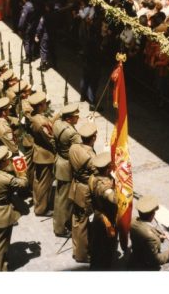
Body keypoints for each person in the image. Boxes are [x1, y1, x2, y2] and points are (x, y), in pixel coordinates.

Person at [68, 121, 98, 264]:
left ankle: (76, 248)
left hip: (75, 186)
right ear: (93, 138)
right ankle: (81, 254)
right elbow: (99, 172)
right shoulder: (90, 157)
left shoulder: (74, 148)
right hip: (85, 191)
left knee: (76, 220)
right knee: (83, 223)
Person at [52, 103, 81, 237]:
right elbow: (80, 149)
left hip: (59, 161)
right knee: (64, 200)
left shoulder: (57, 123)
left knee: (60, 196)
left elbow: (56, 117)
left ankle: (60, 223)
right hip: (67, 166)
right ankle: (60, 228)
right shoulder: (71, 133)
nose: (78, 118)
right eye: (76, 116)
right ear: (69, 119)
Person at [88, 151, 117, 270]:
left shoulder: (93, 177)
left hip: (97, 214)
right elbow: (114, 199)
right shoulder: (103, 185)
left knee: (97, 244)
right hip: (104, 218)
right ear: (107, 168)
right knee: (105, 246)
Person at [129, 195, 169, 270]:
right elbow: (155, 260)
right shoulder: (152, 238)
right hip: (145, 263)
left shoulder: (133, 220)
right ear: (153, 215)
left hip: (136, 252)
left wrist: (159, 237)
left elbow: (144, 233)